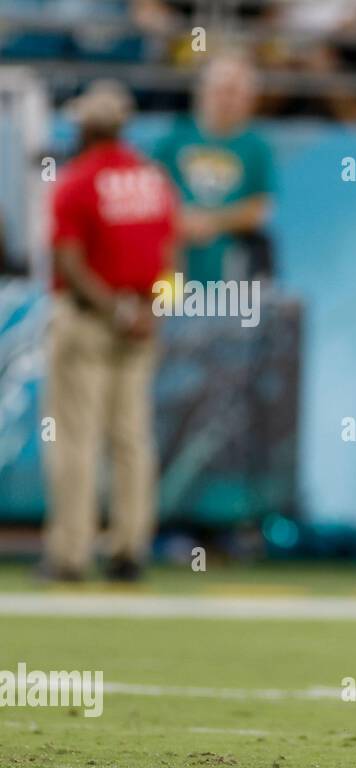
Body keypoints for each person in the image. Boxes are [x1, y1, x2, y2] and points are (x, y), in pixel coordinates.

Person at [41, 80, 178, 582]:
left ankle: (70, 555)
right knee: (132, 440)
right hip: (141, 321)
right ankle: (128, 549)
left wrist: (113, 310)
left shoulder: (76, 181)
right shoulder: (152, 179)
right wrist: (155, 310)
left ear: (84, 126)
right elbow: (171, 256)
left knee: (77, 439)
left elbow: (69, 262)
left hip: (90, 320)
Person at [153, 54, 273, 283]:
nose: (226, 100)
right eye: (221, 90)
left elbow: (260, 208)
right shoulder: (173, 139)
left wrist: (212, 222)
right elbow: (151, 192)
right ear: (202, 91)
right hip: (173, 264)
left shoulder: (257, 148)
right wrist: (178, 219)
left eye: (235, 92)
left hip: (231, 269)